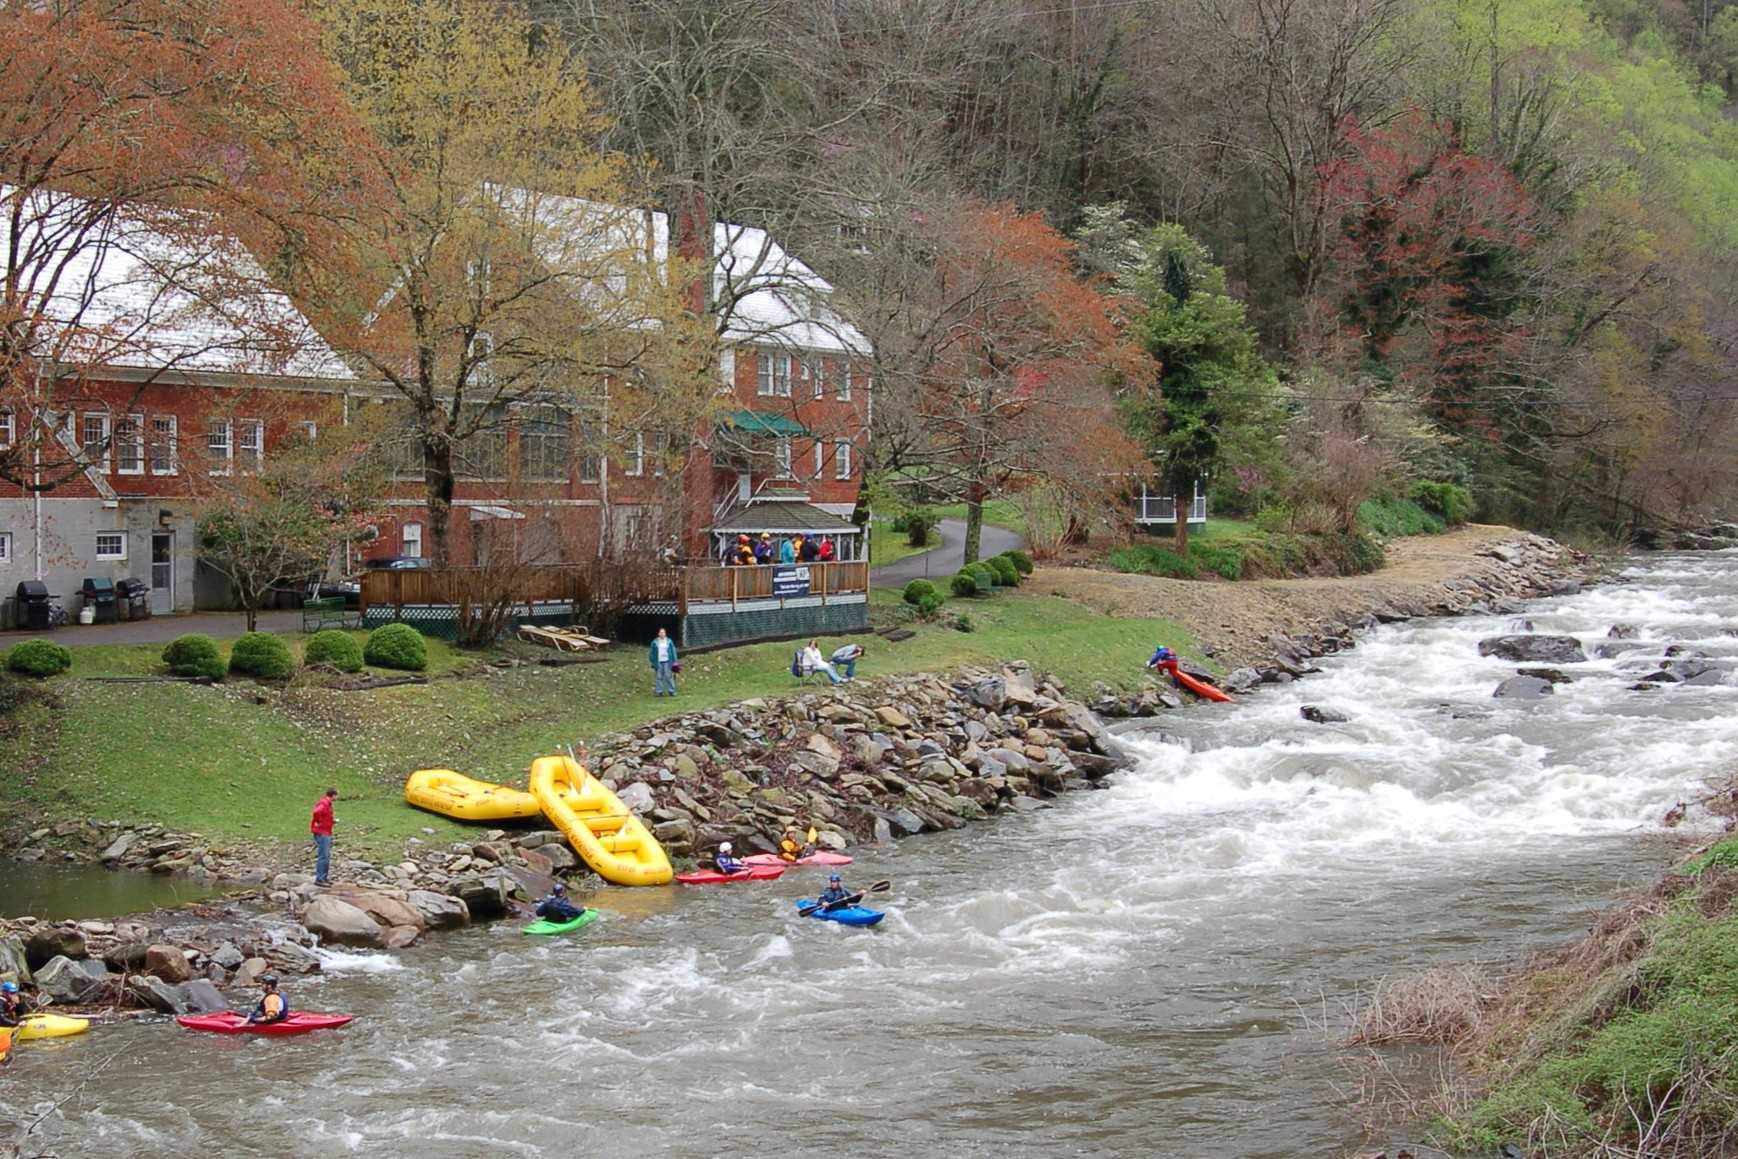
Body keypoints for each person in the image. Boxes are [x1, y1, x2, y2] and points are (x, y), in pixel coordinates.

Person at [310, 788, 337, 887]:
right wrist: (320, 822)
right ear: (333, 795)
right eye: (336, 795)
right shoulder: (324, 803)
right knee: (323, 856)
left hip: (326, 831)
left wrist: (330, 821)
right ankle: (320, 879)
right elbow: (316, 812)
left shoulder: (327, 804)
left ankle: (324, 877)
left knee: (326, 856)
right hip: (322, 832)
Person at [649, 627, 679, 697]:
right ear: (658, 634)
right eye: (661, 632)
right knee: (659, 677)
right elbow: (651, 653)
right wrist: (653, 661)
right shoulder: (654, 642)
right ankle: (659, 692)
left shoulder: (669, 641)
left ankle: (672, 691)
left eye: (663, 632)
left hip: (667, 661)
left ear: (665, 634)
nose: (662, 634)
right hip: (658, 662)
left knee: (668, 676)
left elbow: (673, 651)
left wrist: (675, 661)